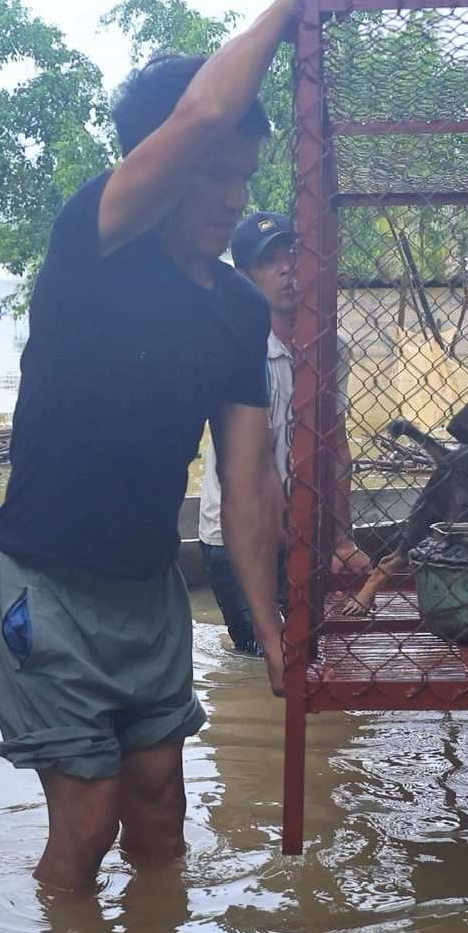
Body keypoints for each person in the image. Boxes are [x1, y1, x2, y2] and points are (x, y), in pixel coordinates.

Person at [0, 0, 332, 895]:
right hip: (43, 581)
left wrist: (270, 629)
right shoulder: (92, 244)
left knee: (162, 815)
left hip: (146, 594)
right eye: (214, 172)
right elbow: (206, 113)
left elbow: (248, 482)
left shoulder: (233, 313)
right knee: (89, 817)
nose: (231, 196)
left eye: (243, 179)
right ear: (163, 161)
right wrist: (290, 2)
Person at [197, 212, 297, 658]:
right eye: (268, 263)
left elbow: (337, 445)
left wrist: (342, 536)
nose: (285, 268)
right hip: (235, 532)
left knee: (302, 651)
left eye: (290, 255)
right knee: (258, 660)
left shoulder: (330, 346)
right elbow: (255, 462)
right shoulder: (242, 349)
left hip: (297, 527)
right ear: (243, 278)